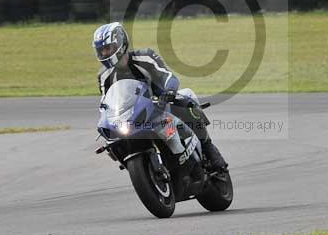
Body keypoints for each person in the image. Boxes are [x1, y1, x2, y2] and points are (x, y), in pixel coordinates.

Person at [93, 22, 228, 171]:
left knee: (186, 97)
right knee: (114, 143)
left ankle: (208, 147)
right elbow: (106, 103)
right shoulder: (104, 76)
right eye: (101, 50)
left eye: (108, 48)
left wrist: (169, 92)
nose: (105, 53)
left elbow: (168, 76)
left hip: (160, 103)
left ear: (120, 43)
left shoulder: (145, 57)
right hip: (133, 116)